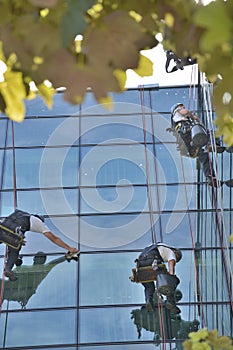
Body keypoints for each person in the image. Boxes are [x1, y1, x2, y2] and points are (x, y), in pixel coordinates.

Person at [0, 209, 79, 281]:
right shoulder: (39, 223)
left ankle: (16, 259)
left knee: (13, 241)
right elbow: (54, 239)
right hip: (12, 232)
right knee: (14, 250)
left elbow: (11, 227)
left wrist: (19, 238)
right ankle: (8, 268)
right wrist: (69, 248)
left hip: (2, 227)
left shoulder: (21, 213)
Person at [169, 102, 223, 187]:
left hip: (189, 144)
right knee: (210, 132)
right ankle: (213, 144)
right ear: (177, 108)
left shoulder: (179, 120)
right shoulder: (177, 112)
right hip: (187, 133)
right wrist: (193, 117)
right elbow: (186, 112)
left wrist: (195, 120)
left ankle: (210, 177)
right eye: (181, 106)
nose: (183, 107)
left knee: (204, 156)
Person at [131, 243, 182, 314]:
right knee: (168, 282)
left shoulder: (156, 246)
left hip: (140, 263)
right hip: (153, 261)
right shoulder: (171, 252)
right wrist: (171, 277)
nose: (175, 260)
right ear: (175, 252)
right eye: (176, 258)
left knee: (149, 286)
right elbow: (171, 266)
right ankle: (170, 302)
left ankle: (149, 300)